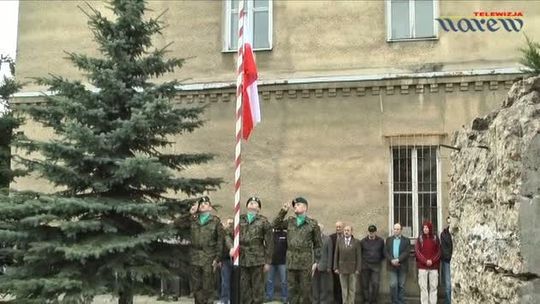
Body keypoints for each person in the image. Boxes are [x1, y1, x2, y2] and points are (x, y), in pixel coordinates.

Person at [174, 196, 224, 304]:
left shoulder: (215, 221)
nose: (203, 205)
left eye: (206, 204)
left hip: (209, 257)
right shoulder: (193, 219)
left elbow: (220, 241)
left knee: (208, 287)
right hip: (195, 256)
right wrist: (190, 213)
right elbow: (177, 223)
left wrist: (217, 258)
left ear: (210, 208)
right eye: (201, 204)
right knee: (196, 288)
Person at [273, 197, 322, 304]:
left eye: (298, 204)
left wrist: (316, 262)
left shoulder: (312, 224)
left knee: (305, 292)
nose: (295, 206)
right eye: (294, 205)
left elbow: (318, 244)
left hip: (305, 262)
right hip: (291, 262)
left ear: (305, 207)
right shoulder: (290, 221)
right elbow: (275, 225)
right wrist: (283, 211)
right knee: (292, 291)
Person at [231, 197, 273, 304]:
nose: (252, 203)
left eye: (255, 203)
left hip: (258, 260)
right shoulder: (239, 219)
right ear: (246, 206)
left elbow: (269, 243)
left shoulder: (263, 221)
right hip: (243, 258)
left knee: (257, 289)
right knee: (244, 289)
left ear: (258, 208)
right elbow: (227, 234)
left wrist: (268, 262)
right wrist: (231, 247)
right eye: (250, 202)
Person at [333, 225, 361, 304]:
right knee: (344, 288)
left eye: (348, 230)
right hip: (342, 269)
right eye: (345, 230)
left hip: (353, 269)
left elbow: (359, 256)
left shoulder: (356, 242)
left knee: (352, 289)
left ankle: (351, 302)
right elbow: (336, 254)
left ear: (351, 232)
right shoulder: (339, 241)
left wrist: (358, 269)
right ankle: (345, 302)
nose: (346, 232)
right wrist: (335, 267)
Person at [415, 221, 441, 304]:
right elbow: (417, 251)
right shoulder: (419, 239)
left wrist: (432, 261)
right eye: (424, 228)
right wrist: (425, 261)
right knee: (423, 287)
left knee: (433, 287)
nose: (425, 229)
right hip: (422, 267)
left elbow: (439, 251)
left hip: (434, 267)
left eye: (427, 227)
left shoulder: (435, 238)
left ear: (430, 228)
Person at [385, 223, 411, 304]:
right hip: (391, 265)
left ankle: (401, 301)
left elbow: (407, 252)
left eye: (398, 229)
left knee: (401, 285)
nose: (396, 231)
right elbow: (385, 252)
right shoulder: (389, 239)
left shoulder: (406, 240)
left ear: (401, 230)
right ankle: (395, 301)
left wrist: (398, 260)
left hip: (402, 265)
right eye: (395, 229)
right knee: (393, 284)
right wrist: (392, 260)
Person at [359, 224, 385, 304]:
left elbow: (383, 253)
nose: (371, 233)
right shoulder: (363, 241)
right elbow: (360, 253)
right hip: (365, 265)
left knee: (375, 284)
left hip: (376, 266)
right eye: (370, 232)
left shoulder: (380, 241)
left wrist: (378, 259)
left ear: (375, 232)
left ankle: (374, 301)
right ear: (368, 232)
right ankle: (366, 300)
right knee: (365, 284)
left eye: (373, 232)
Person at [265, 228, 288, 303]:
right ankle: (269, 296)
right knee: (269, 280)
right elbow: (266, 247)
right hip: (271, 262)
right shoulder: (270, 235)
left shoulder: (285, 235)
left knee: (284, 281)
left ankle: (285, 297)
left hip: (282, 262)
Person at [312, 223, 334, 304]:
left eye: (319, 228)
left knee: (323, 286)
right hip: (314, 266)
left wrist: (329, 266)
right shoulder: (312, 238)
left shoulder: (327, 239)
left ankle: (323, 301)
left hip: (324, 266)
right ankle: (315, 301)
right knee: (315, 285)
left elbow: (330, 253)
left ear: (322, 229)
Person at [219, 218, 234, 304]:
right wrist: (219, 260)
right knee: (225, 282)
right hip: (225, 260)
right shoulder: (223, 235)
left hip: (236, 261)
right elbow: (220, 248)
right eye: (228, 224)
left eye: (231, 223)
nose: (229, 225)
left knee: (234, 282)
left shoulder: (237, 234)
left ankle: (233, 299)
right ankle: (224, 300)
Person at [330, 221, 344, 304]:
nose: (338, 228)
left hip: (345, 265)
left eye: (339, 227)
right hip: (334, 265)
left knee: (344, 284)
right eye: (337, 227)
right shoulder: (331, 237)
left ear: (343, 228)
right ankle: (337, 301)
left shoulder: (348, 236)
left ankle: (344, 300)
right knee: (336, 284)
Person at [440, 216, 453, 304]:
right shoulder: (444, 234)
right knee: (448, 284)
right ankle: (449, 301)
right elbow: (444, 249)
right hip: (447, 261)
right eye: (448, 222)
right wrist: (450, 258)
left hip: (456, 260)